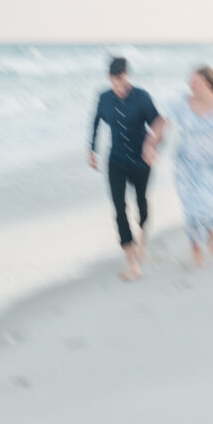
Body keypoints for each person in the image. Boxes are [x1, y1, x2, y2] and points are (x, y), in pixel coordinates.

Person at [143, 65, 213, 267]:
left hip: (210, 164)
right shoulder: (181, 102)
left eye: (195, 82)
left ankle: (212, 232)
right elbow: (160, 124)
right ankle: (196, 250)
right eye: (190, 81)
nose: (190, 85)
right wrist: (150, 145)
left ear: (207, 84)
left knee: (212, 204)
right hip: (185, 164)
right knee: (191, 209)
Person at [89, 57, 162, 281]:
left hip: (141, 161)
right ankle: (132, 263)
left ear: (127, 74)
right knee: (119, 208)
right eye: (114, 83)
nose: (118, 88)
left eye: (121, 82)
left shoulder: (142, 97)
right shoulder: (104, 98)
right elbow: (96, 121)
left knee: (141, 203)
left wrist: (152, 147)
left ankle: (142, 241)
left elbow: (159, 123)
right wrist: (92, 149)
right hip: (117, 160)